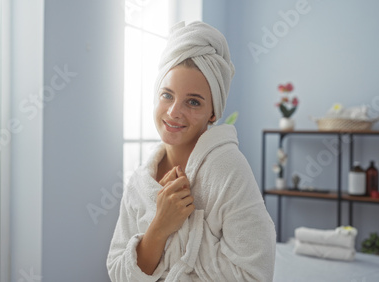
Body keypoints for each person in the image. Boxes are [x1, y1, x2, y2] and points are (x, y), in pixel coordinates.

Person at [107, 21, 276, 281]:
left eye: (193, 102)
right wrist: (160, 226)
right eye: (167, 95)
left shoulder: (228, 169)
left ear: (213, 113)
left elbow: (254, 274)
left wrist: (184, 226)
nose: (174, 112)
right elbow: (118, 272)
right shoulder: (140, 181)